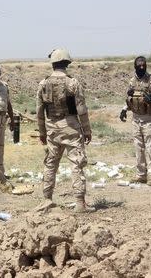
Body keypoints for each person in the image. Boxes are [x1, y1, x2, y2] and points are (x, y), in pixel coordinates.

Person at [36, 48, 94, 213]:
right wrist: (87, 130)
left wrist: (42, 132)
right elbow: (81, 110)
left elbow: (39, 111)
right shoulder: (72, 82)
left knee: (50, 164)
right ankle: (80, 203)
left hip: (52, 128)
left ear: (53, 63)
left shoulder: (43, 83)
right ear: (67, 63)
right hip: (70, 127)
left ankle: (47, 199)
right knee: (76, 164)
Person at [119, 56, 151, 186]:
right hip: (135, 118)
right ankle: (141, 174)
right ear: (135, 66)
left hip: (148, 117)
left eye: (143, 65)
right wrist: (124, 109)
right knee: (138, 147)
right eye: (139, 65)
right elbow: (129, 97)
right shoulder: (132, 81)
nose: (141, 67)